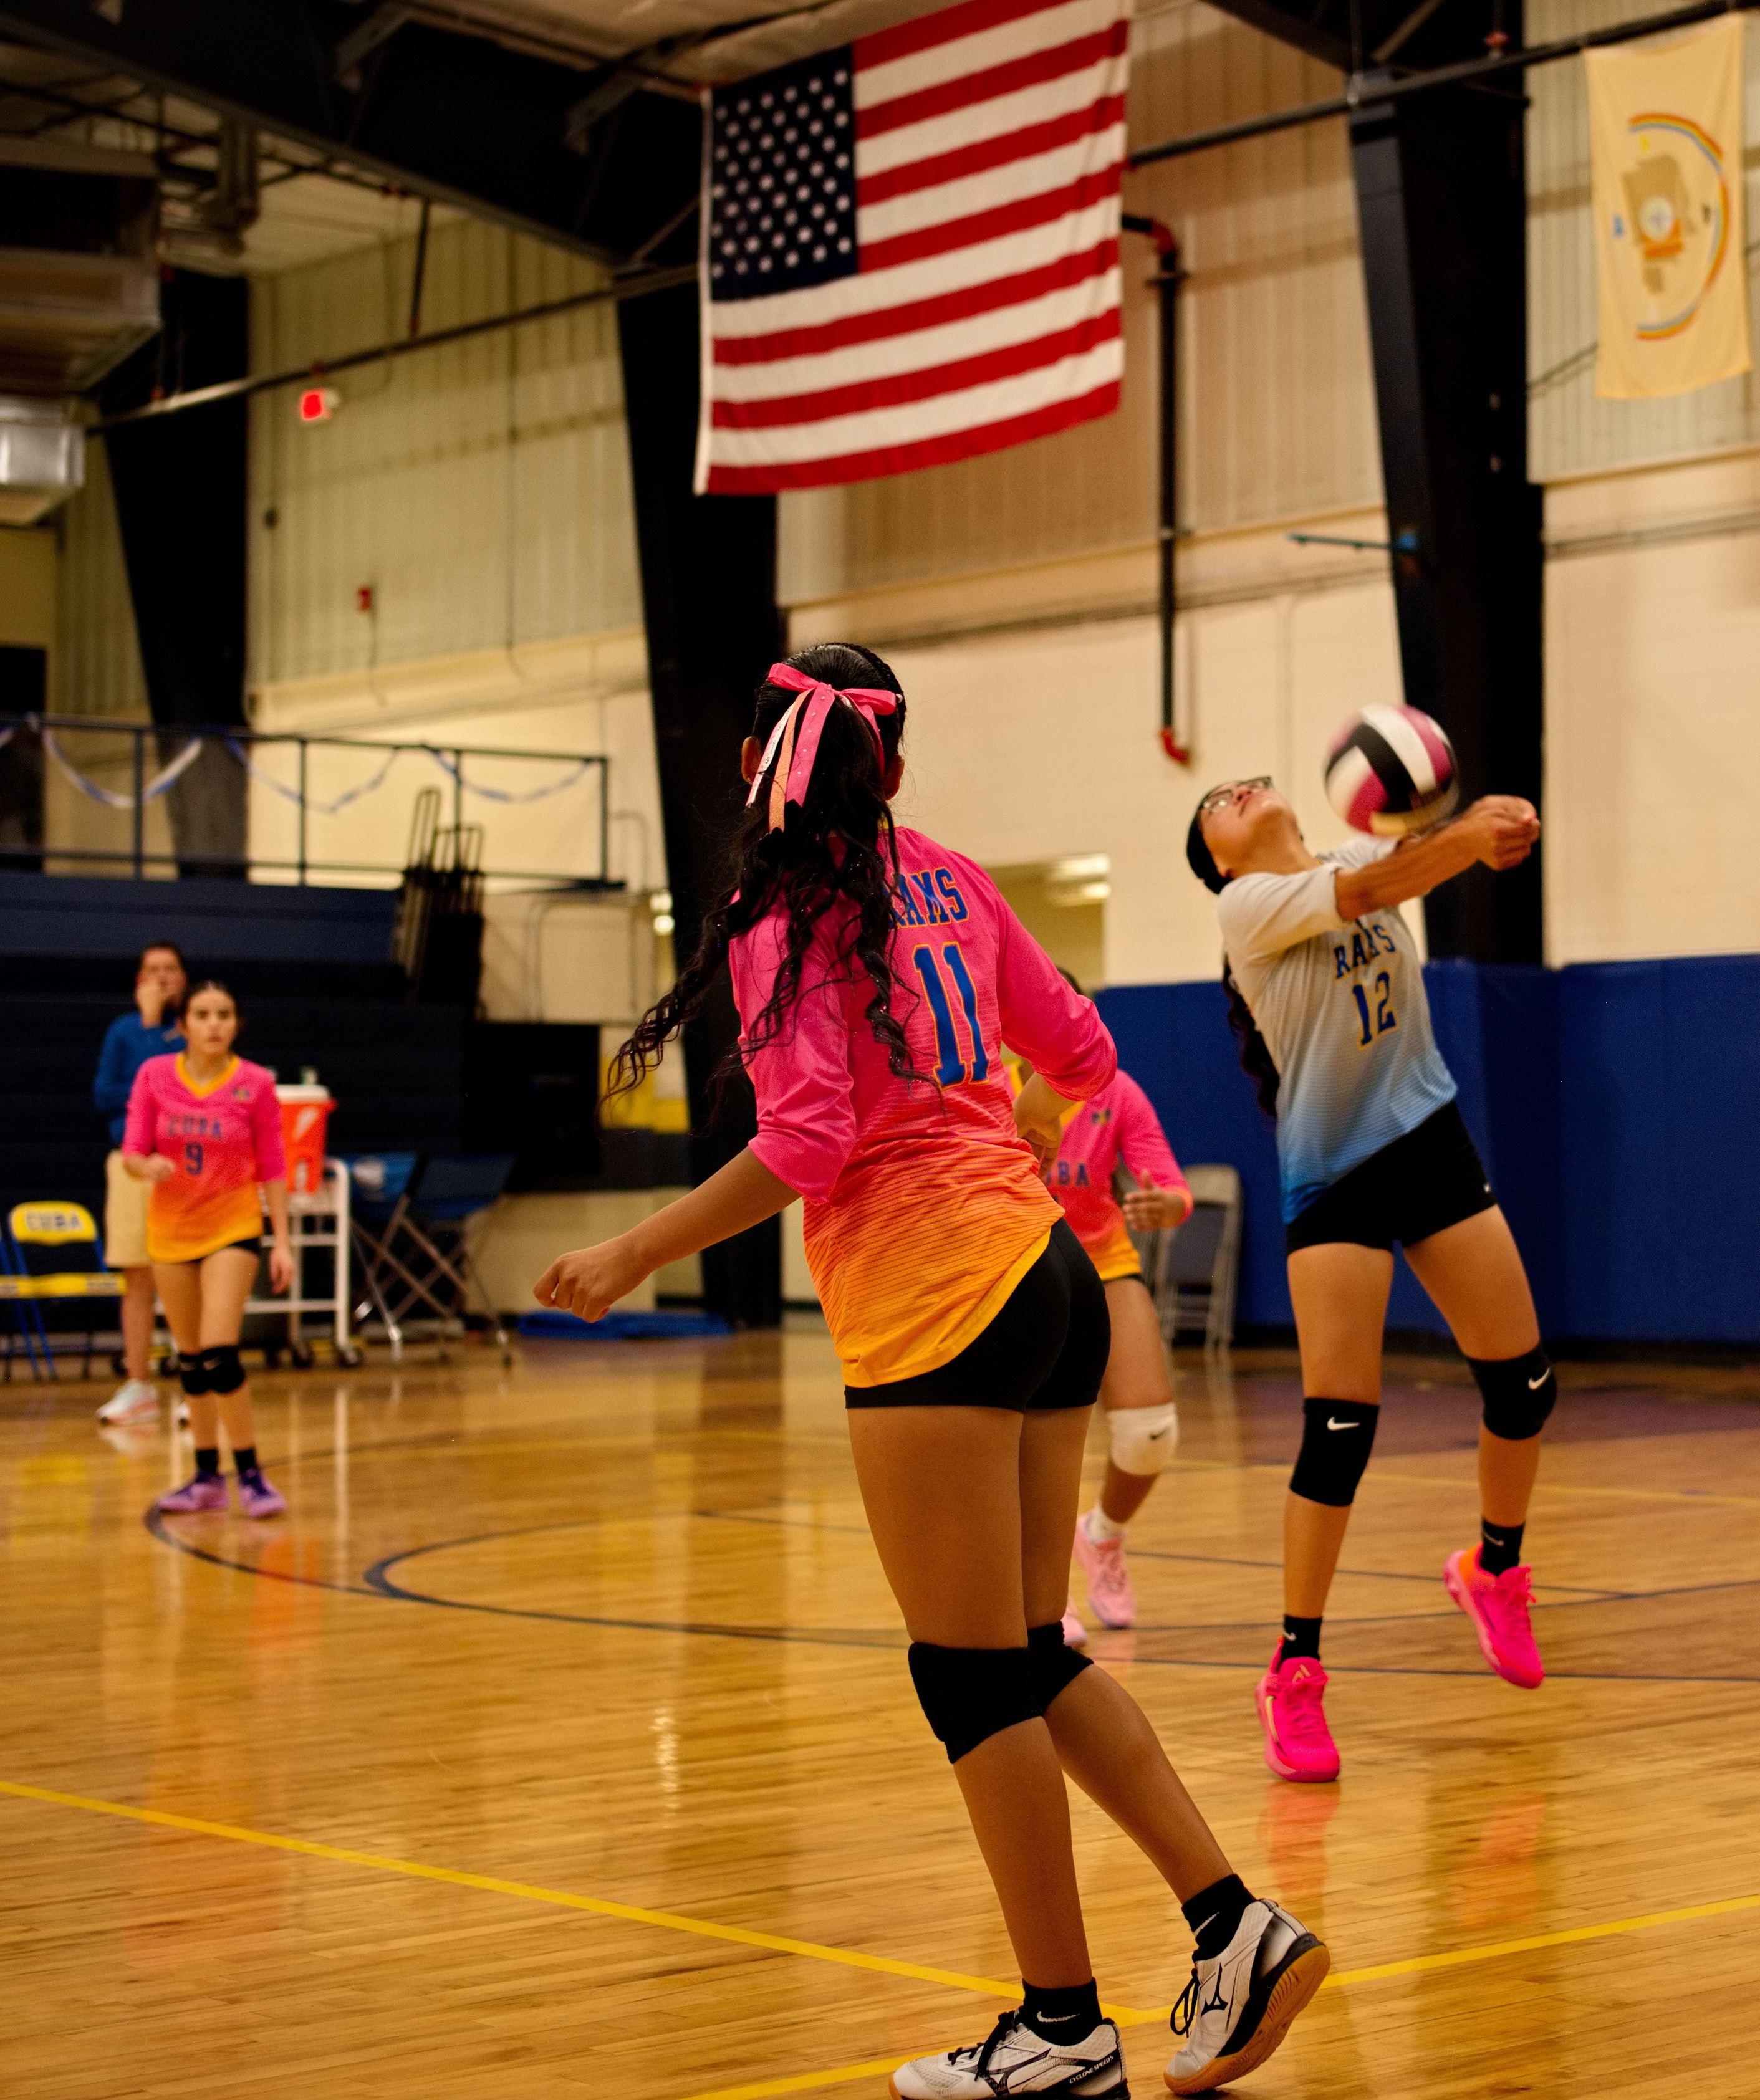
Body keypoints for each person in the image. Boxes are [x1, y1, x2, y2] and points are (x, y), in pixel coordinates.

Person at [537, 648, 1328, 2098]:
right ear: (886, 766)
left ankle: (1062, 2021)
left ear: (763, 762)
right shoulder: (952, 876)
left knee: (966, 1677)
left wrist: (634, 1249)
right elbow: (1083, 1052)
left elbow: (809, 1143)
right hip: (1046, 1271)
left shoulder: (784, 910)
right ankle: (1235, 1925)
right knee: (1028, 1654)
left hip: (934, 1298)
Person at [1188, 776, 1551, 1785]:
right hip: (1333, 1166)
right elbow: (1377, 884)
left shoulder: (1360, 859)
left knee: (1524, 1386)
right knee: (1338, 1425)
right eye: (1218, 799)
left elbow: (1394, 862)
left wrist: (1487, 821)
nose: (1240, 787)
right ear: (1217, 854)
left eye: (1248, 777)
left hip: (1427, 1138)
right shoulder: (1243, 905)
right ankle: (1293, 1666)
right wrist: (1465, 837)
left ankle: (1493, 1565)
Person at [1009, 983, 1193, 1637]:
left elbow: (1167, 1184)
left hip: (1103, 1258)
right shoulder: (988, 1088)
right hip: (1017, 1262)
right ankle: (1044, 1592)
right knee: (1033, 1440)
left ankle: (1104, 1537)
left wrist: (1166, 1207)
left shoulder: (1114, 1089)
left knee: (1149, 1433)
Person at [123, 981, 293, 1518]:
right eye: (202, 1014)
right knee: (191, 1358)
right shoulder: (154, 1075)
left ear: (236, 1024)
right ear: (184, 1024)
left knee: (220, 1348)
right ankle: (204, 1477)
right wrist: (145, 1165)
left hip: (232, 1225)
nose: (214, 1023)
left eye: (224, 1014)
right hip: (171, 1229)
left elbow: (273, 1166)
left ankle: (250, 1473)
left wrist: (283, 1241)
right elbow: (132, 1148)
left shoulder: (255, 1083)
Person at [92, 941, 188, 1426]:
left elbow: (174, 1090)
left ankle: (198, 1384)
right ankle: (139, 1385)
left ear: (183, 979)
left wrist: (156, 1030)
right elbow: (105, 1094)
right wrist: (146, 1030)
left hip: (183, 1167)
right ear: (138, 980)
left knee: (185, 1275)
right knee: (137, 1276)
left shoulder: (193, 1031)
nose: (162, 978)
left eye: (170, 969)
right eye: (152, 970)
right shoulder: (122, 1031)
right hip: (131, 1164)